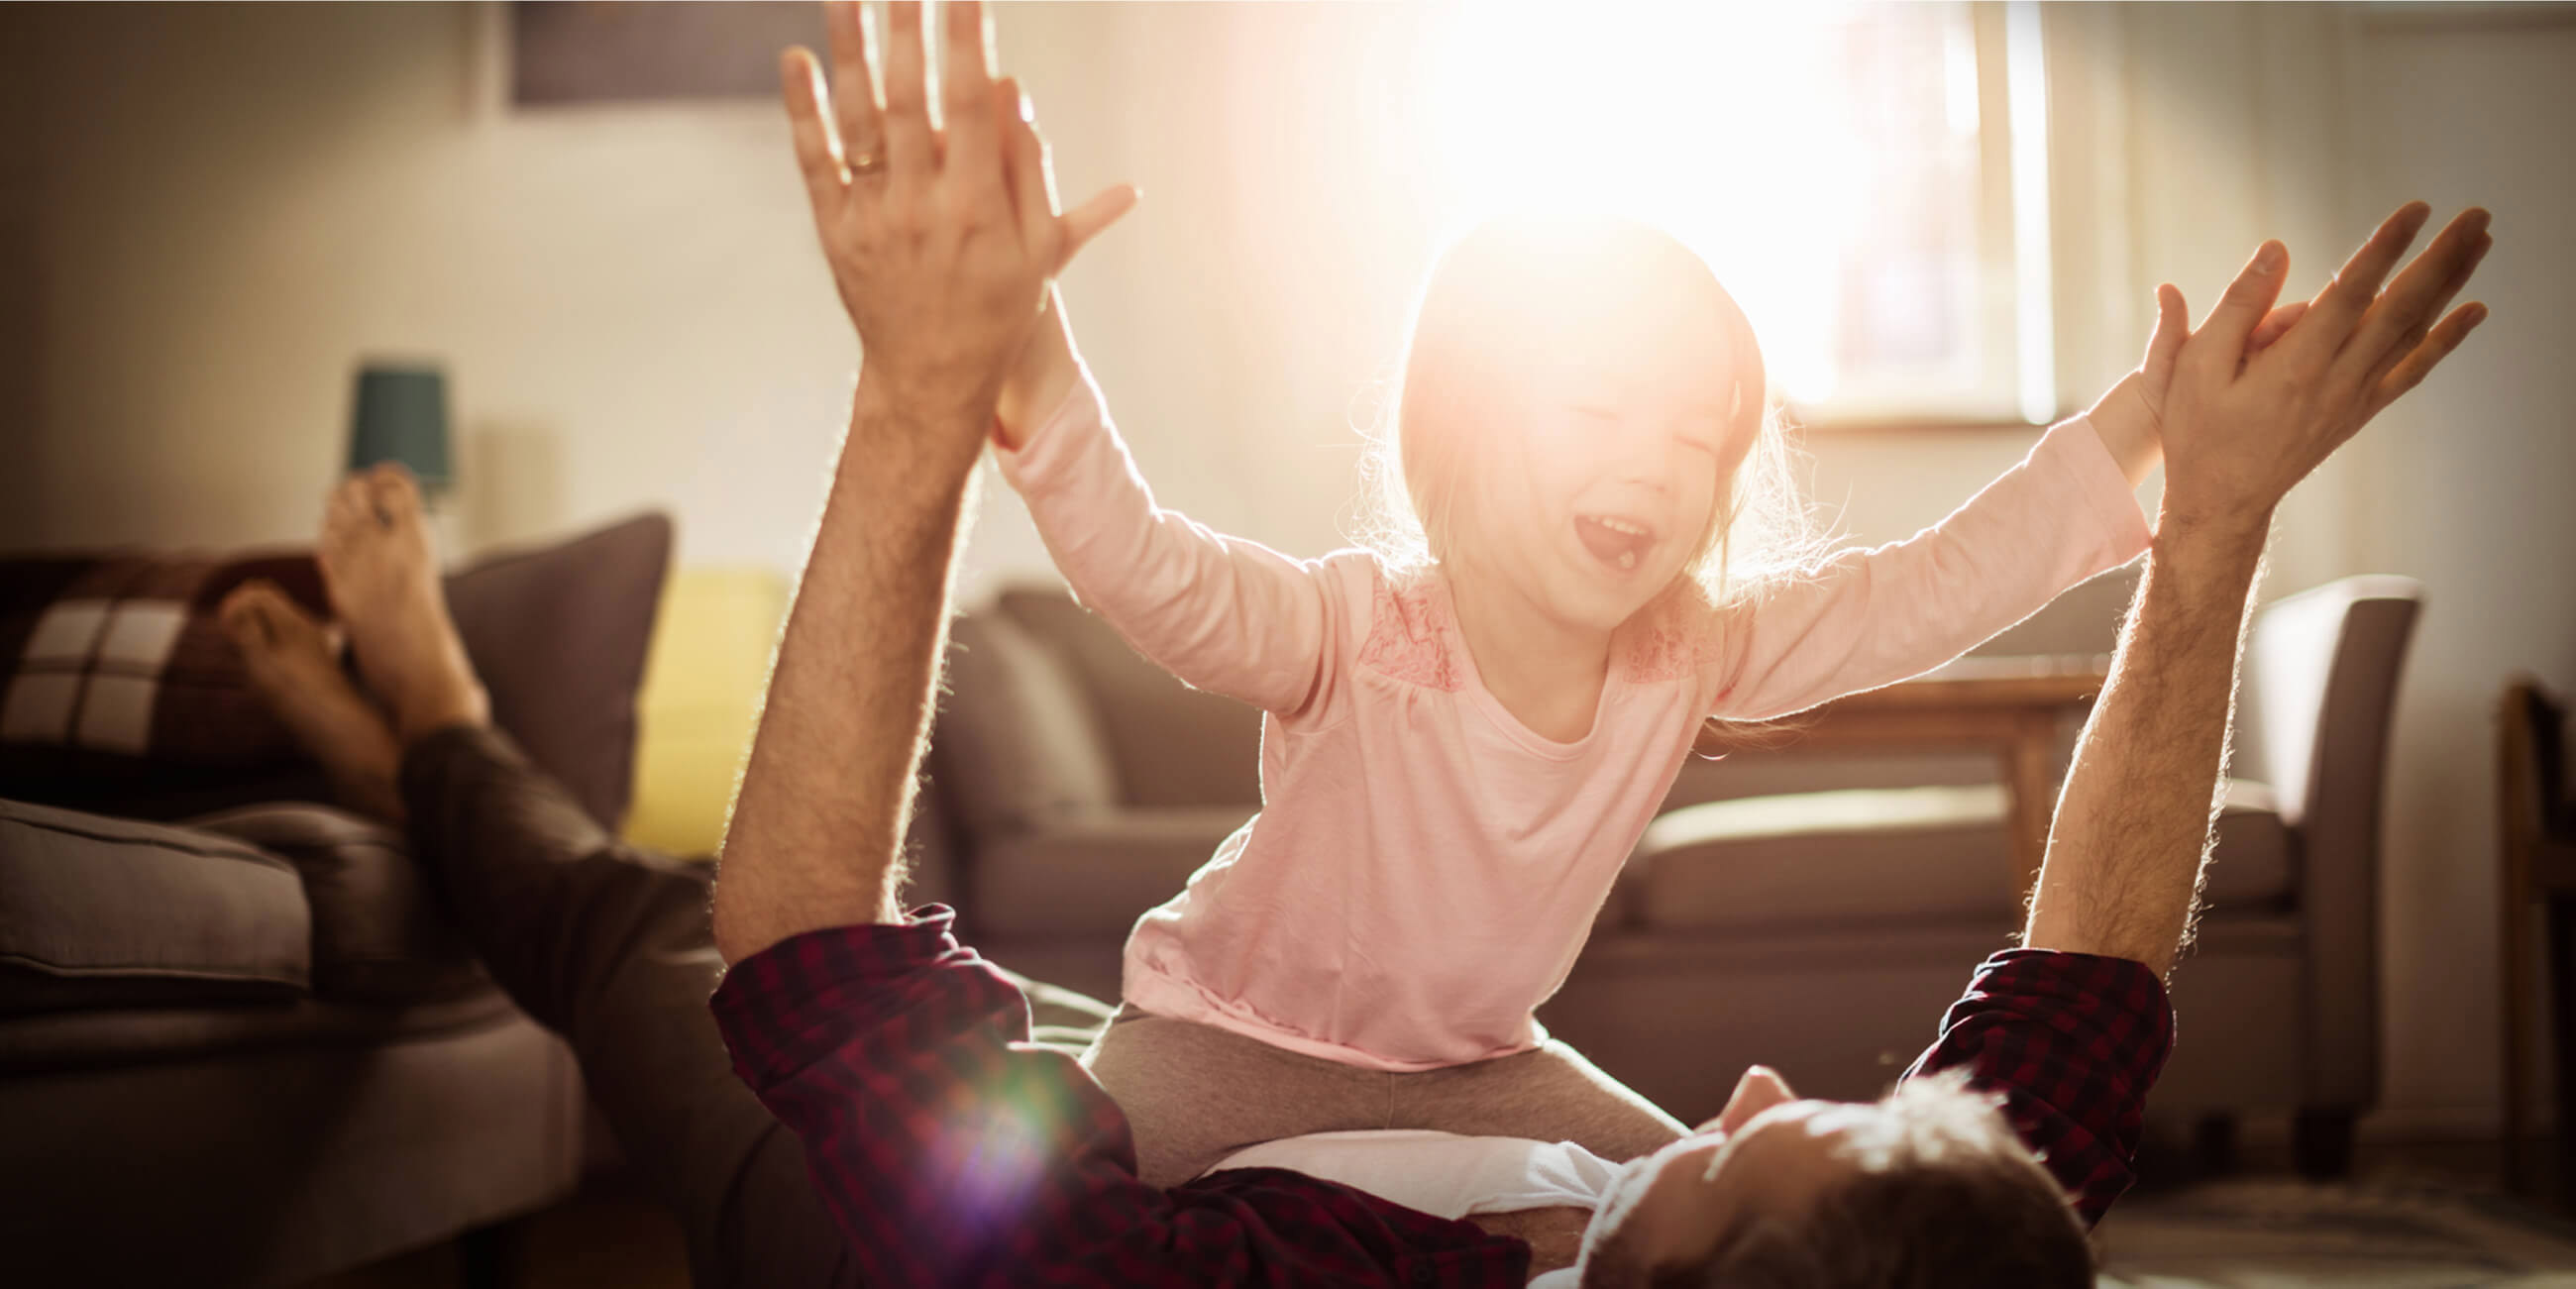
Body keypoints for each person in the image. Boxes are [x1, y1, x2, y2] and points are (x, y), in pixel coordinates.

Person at [219, 3, 2489, 1284]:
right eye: (1603, 410)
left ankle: (426, 716)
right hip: (1284, 1056)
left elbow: (805, 945)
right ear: (1456, 427)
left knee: (601, 909)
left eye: (1702, 442)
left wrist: (956, 386)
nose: (1783, 1087)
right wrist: (2172, 494)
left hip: (868, 1182)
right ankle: (423, 721)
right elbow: (1155, 567)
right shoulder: (1921, 1256)